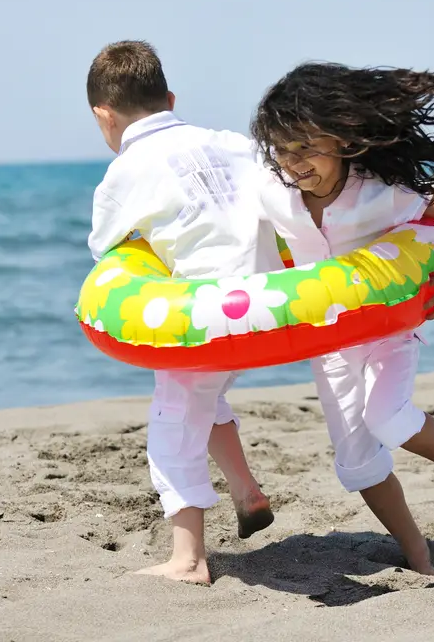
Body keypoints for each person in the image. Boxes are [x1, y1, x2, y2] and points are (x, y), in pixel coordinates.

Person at [250, 59, 434, 575]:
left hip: (387, 327)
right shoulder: (274, 195)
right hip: (330, 338)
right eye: (282, 149)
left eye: (306, 147)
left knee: (387, 416)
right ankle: (419, 556)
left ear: (340, 140)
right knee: (357, 459)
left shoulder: (381, 189)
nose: (293, 163)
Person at [86, 40, 277, 584]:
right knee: (204, 396)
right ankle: (247, 494)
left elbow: (108, 251)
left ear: (104, 115)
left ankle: (188, 559)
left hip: (207, 318)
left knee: (171, 419)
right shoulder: (230, 142)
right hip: (271, 306)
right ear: (169, 97)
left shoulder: (125, 172)